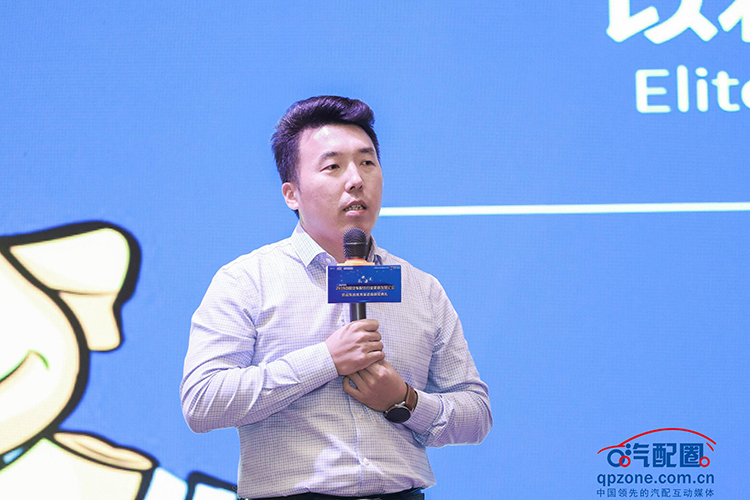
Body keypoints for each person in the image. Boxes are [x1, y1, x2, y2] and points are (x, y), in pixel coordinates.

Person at [180, 96, 492, 500]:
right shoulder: (246, 280)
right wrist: (325, 359)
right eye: (333, 167)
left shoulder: (421, 288)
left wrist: (404, 400)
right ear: (291, 194)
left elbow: (476, 414)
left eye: (367, 162)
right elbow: (202, 401)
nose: (356, 180)